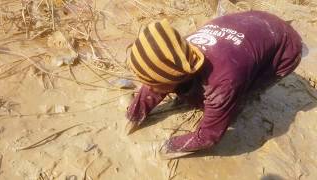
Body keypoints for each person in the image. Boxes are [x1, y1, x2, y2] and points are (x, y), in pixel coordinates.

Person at [125, 11, 302, 158]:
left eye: (154, 85)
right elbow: (156, 81)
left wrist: (169, 146)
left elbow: (209, 137)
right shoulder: (176, 51)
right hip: (251, 23)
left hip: (285, 48)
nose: (151, 87)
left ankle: (237, 102)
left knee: (241, 95)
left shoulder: (224, 83)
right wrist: (134, 114)